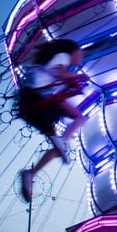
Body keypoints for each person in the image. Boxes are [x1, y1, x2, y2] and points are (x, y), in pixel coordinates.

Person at [17, 39, 88, 202]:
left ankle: (30, 174)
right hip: (41, 98)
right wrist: (79, 76)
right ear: (73, 52)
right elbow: (60, 74)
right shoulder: (63, 56)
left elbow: (59, 77)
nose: (80, 59)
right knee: (79, 117)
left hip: (35, 103)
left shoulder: (56, 62)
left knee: (59, 150)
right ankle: (62, 141)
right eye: (80, 55)